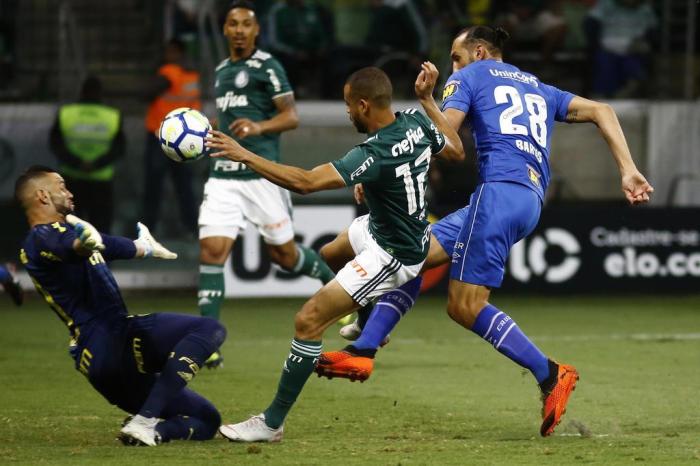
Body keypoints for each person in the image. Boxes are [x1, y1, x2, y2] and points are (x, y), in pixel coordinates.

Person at [316, 26, 654, 437]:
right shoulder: (534, 84)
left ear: (477, 53)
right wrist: (628, 170)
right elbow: (603, 110)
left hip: (497, 194)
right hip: (528, 199)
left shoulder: (469, 76)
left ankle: (550, 374)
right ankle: (365, 348)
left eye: (455, 58)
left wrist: (419, 108)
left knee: (464, 306)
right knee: (414, 255)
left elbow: (446, 139)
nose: (451, 67)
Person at [207, 65, 463, 442]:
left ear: (363, 106)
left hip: (392, 253)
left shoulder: (373, 153)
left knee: (308, 321)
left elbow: (306, 182)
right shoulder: (415, 121)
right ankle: (366, 316)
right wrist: (427, 101)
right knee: (331, 252)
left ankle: (271, 423)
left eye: (347, 105)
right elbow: (455, 150)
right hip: (385, 227)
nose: (346, 112)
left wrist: (244, 155)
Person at [15, 165, 227, 447]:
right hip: (111, 339)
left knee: (207, 419)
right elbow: (65, 246)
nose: (69, 192)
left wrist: (142, 248)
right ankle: (146, 419)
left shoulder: (59, 234)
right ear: (42, 195)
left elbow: (105, 245)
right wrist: (81, 244)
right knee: (210, 328)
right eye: (62, 186)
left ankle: (151, 430)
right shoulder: (43, 235)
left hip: (102, 363)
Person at [198, 0, 334, 367]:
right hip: (224, 175)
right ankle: (206, 342)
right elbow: (228, 116)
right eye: (233, 24)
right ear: (225, 30)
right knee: (212, 252)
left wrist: (259, 127)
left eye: (246, 24)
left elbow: (291, 116)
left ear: (256, 30)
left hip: (262, 174)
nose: (240, 30)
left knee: (285, 257)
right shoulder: (222, 69)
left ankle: (336, 285)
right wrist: (211, 131)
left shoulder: (268, 66)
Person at [49, 76, 125, 233]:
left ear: (81, 92)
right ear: (101, 93)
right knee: (100, 230)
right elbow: (119, 148)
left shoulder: (66, 113)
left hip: (71, 180)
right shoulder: (112, 115)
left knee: (70, 229)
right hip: (101, 181)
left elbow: (56, 144)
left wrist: (77, 163)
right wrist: (96, 164)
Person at [142, 38, 200, 237]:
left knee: (154, 185)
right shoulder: (192, 77)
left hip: (160, 135)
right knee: (184, 185)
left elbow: (147, 94)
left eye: (169, 52)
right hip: (185, 138)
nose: (166, 56)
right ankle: (191, 227)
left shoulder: (169, 72)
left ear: (177, 53)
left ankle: (148, 227)